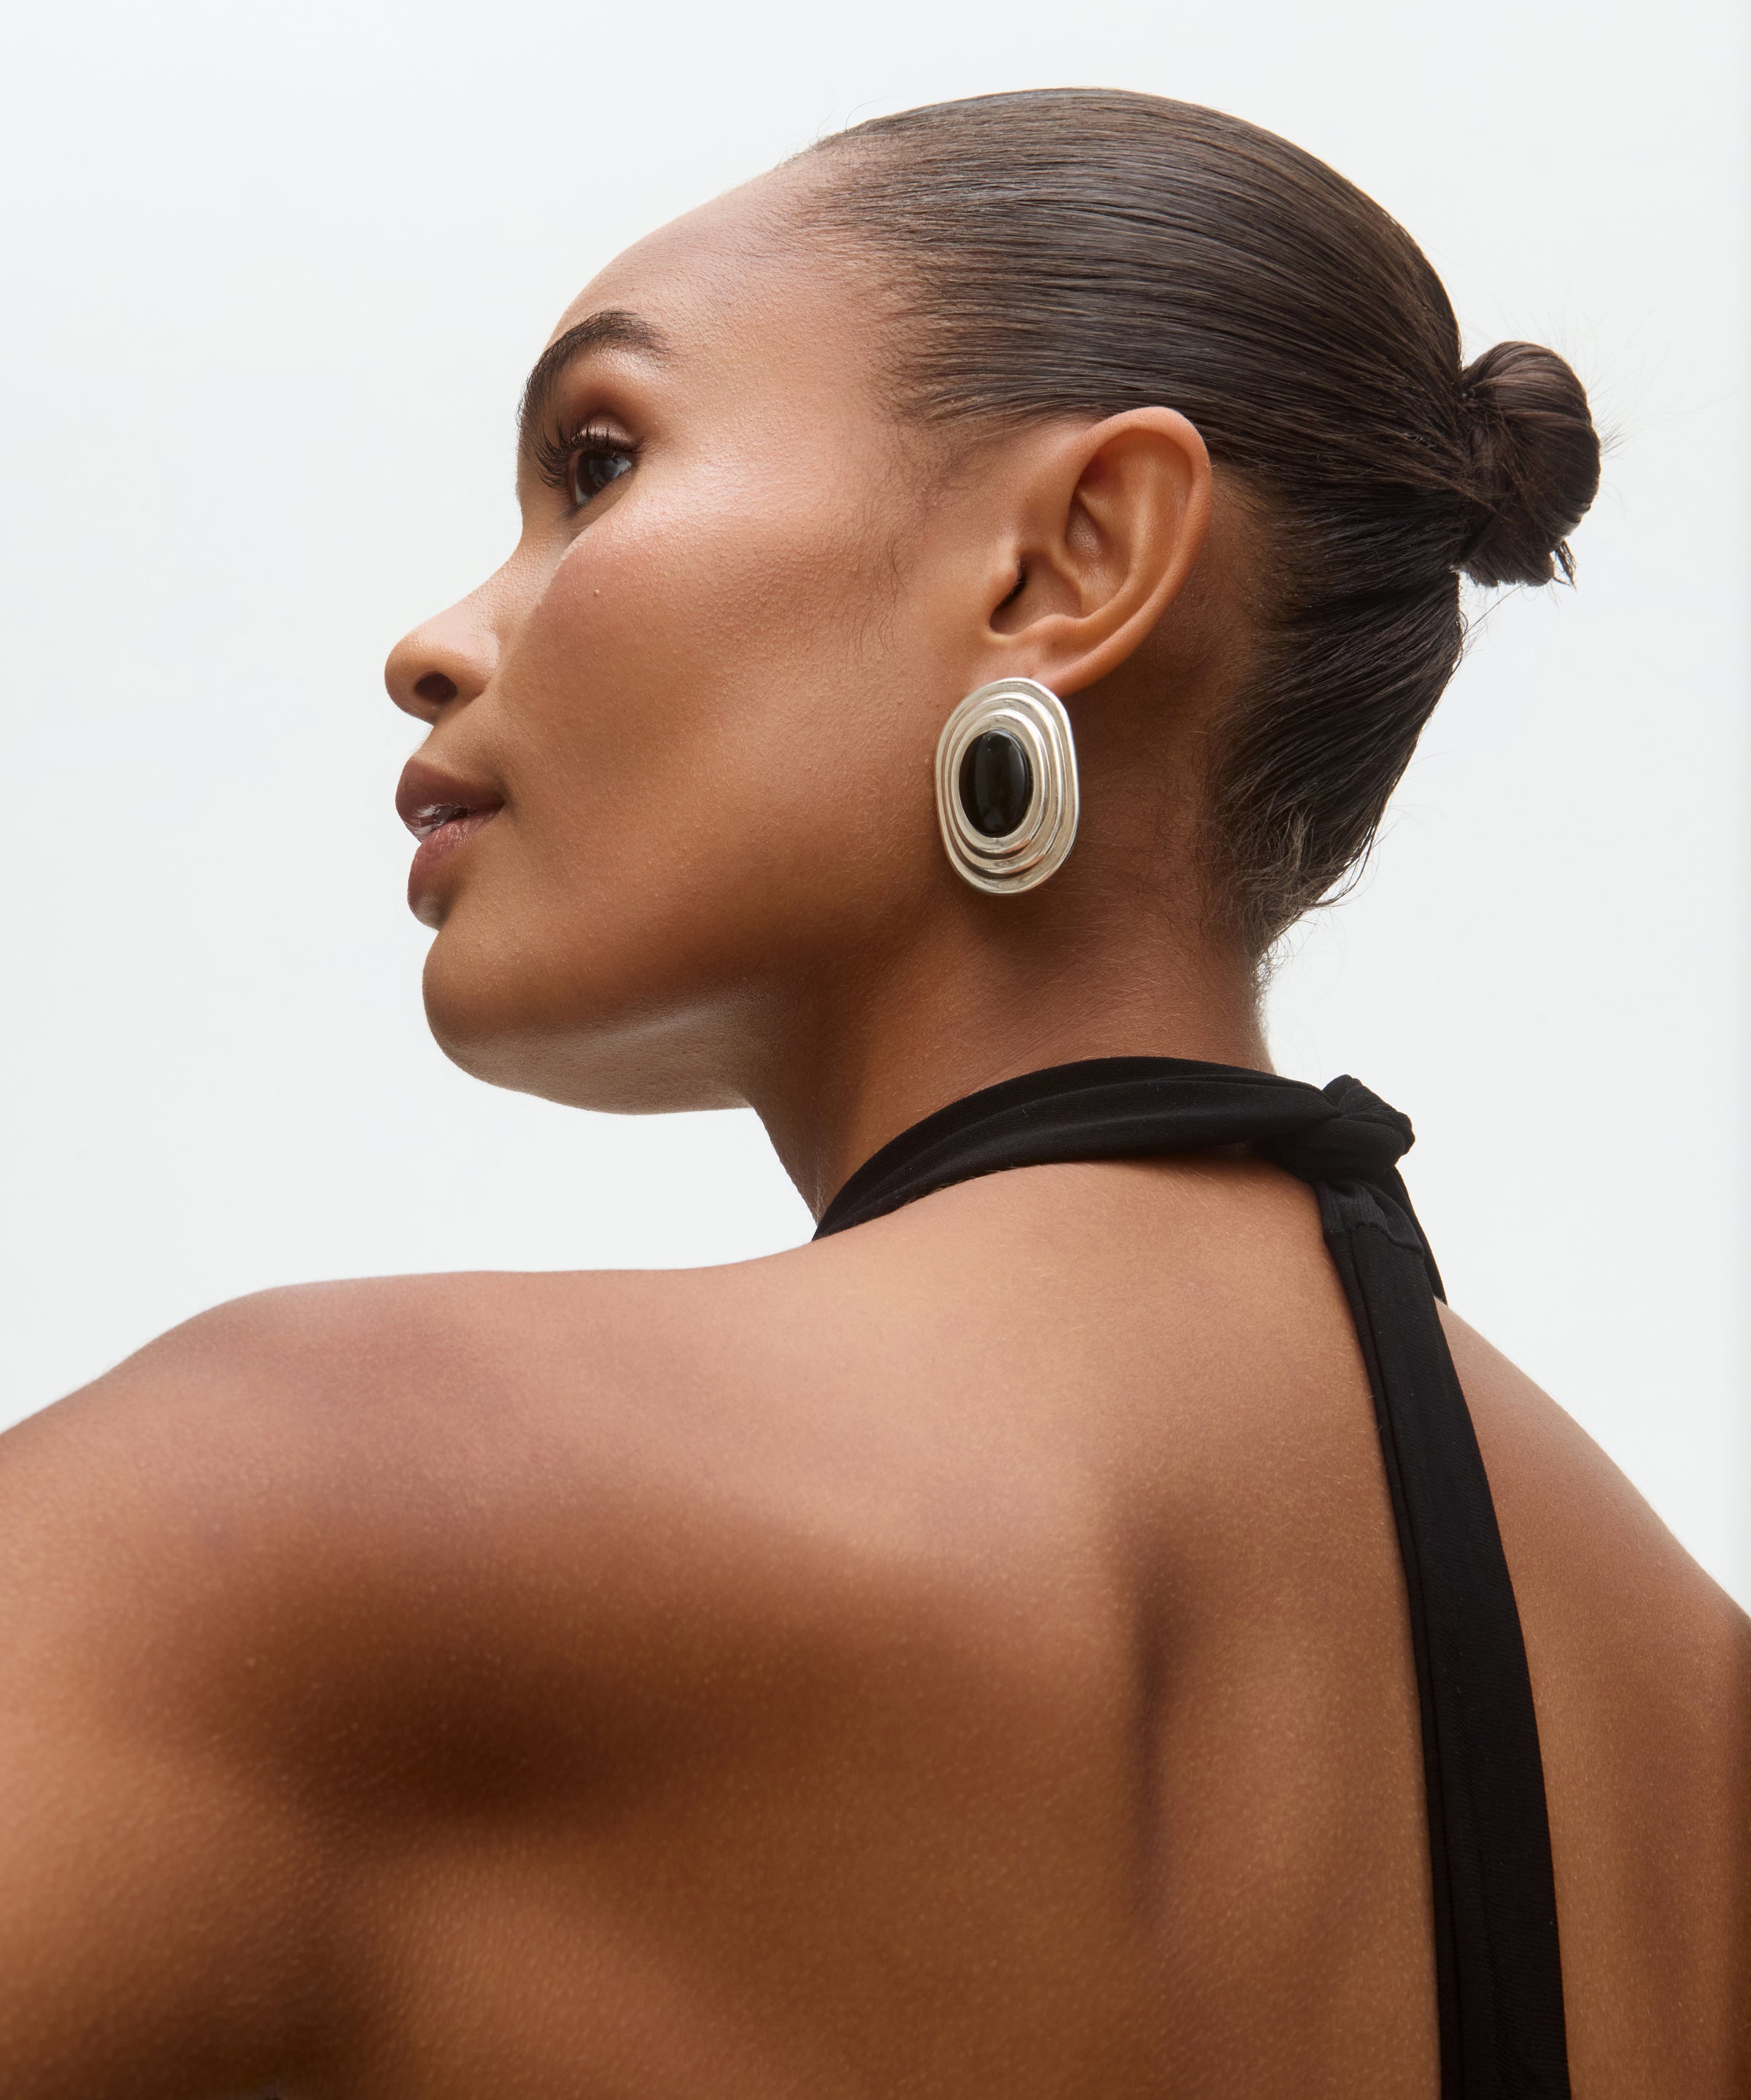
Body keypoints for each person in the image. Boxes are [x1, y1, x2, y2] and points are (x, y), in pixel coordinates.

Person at [0, 87, 1743, 2100]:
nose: (434, 643)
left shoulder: (311, 1508)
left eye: (595, 463)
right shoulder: (1699, 1731)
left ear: (1071, 562)